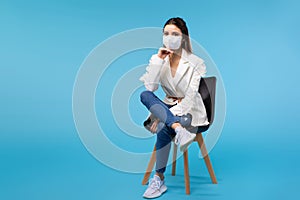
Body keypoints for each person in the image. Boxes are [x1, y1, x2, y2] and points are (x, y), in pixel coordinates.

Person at [139, 17, 208, 198]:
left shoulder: (196, 62)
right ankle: (178, 129)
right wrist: (158, 60)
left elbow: (192, 95)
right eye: (166, 33)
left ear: (183, 38)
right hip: (170, 109)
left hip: (191, 112)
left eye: (175, 34)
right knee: (144, 95)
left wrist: (164, 115)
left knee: (163, 126)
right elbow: (150, 88)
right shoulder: (159, 59)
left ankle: (159, 179)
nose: (170, 37)